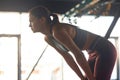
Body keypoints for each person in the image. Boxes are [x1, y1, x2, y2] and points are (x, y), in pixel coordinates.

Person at [28, 5, 117, 80]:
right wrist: (82, 78)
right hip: (92, 53)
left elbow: (78, 55)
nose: (29, 25)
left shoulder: (57, 31)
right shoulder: (48, 39)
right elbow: (68, 58)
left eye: (31, 21)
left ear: (42, 20)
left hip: (104, 49)